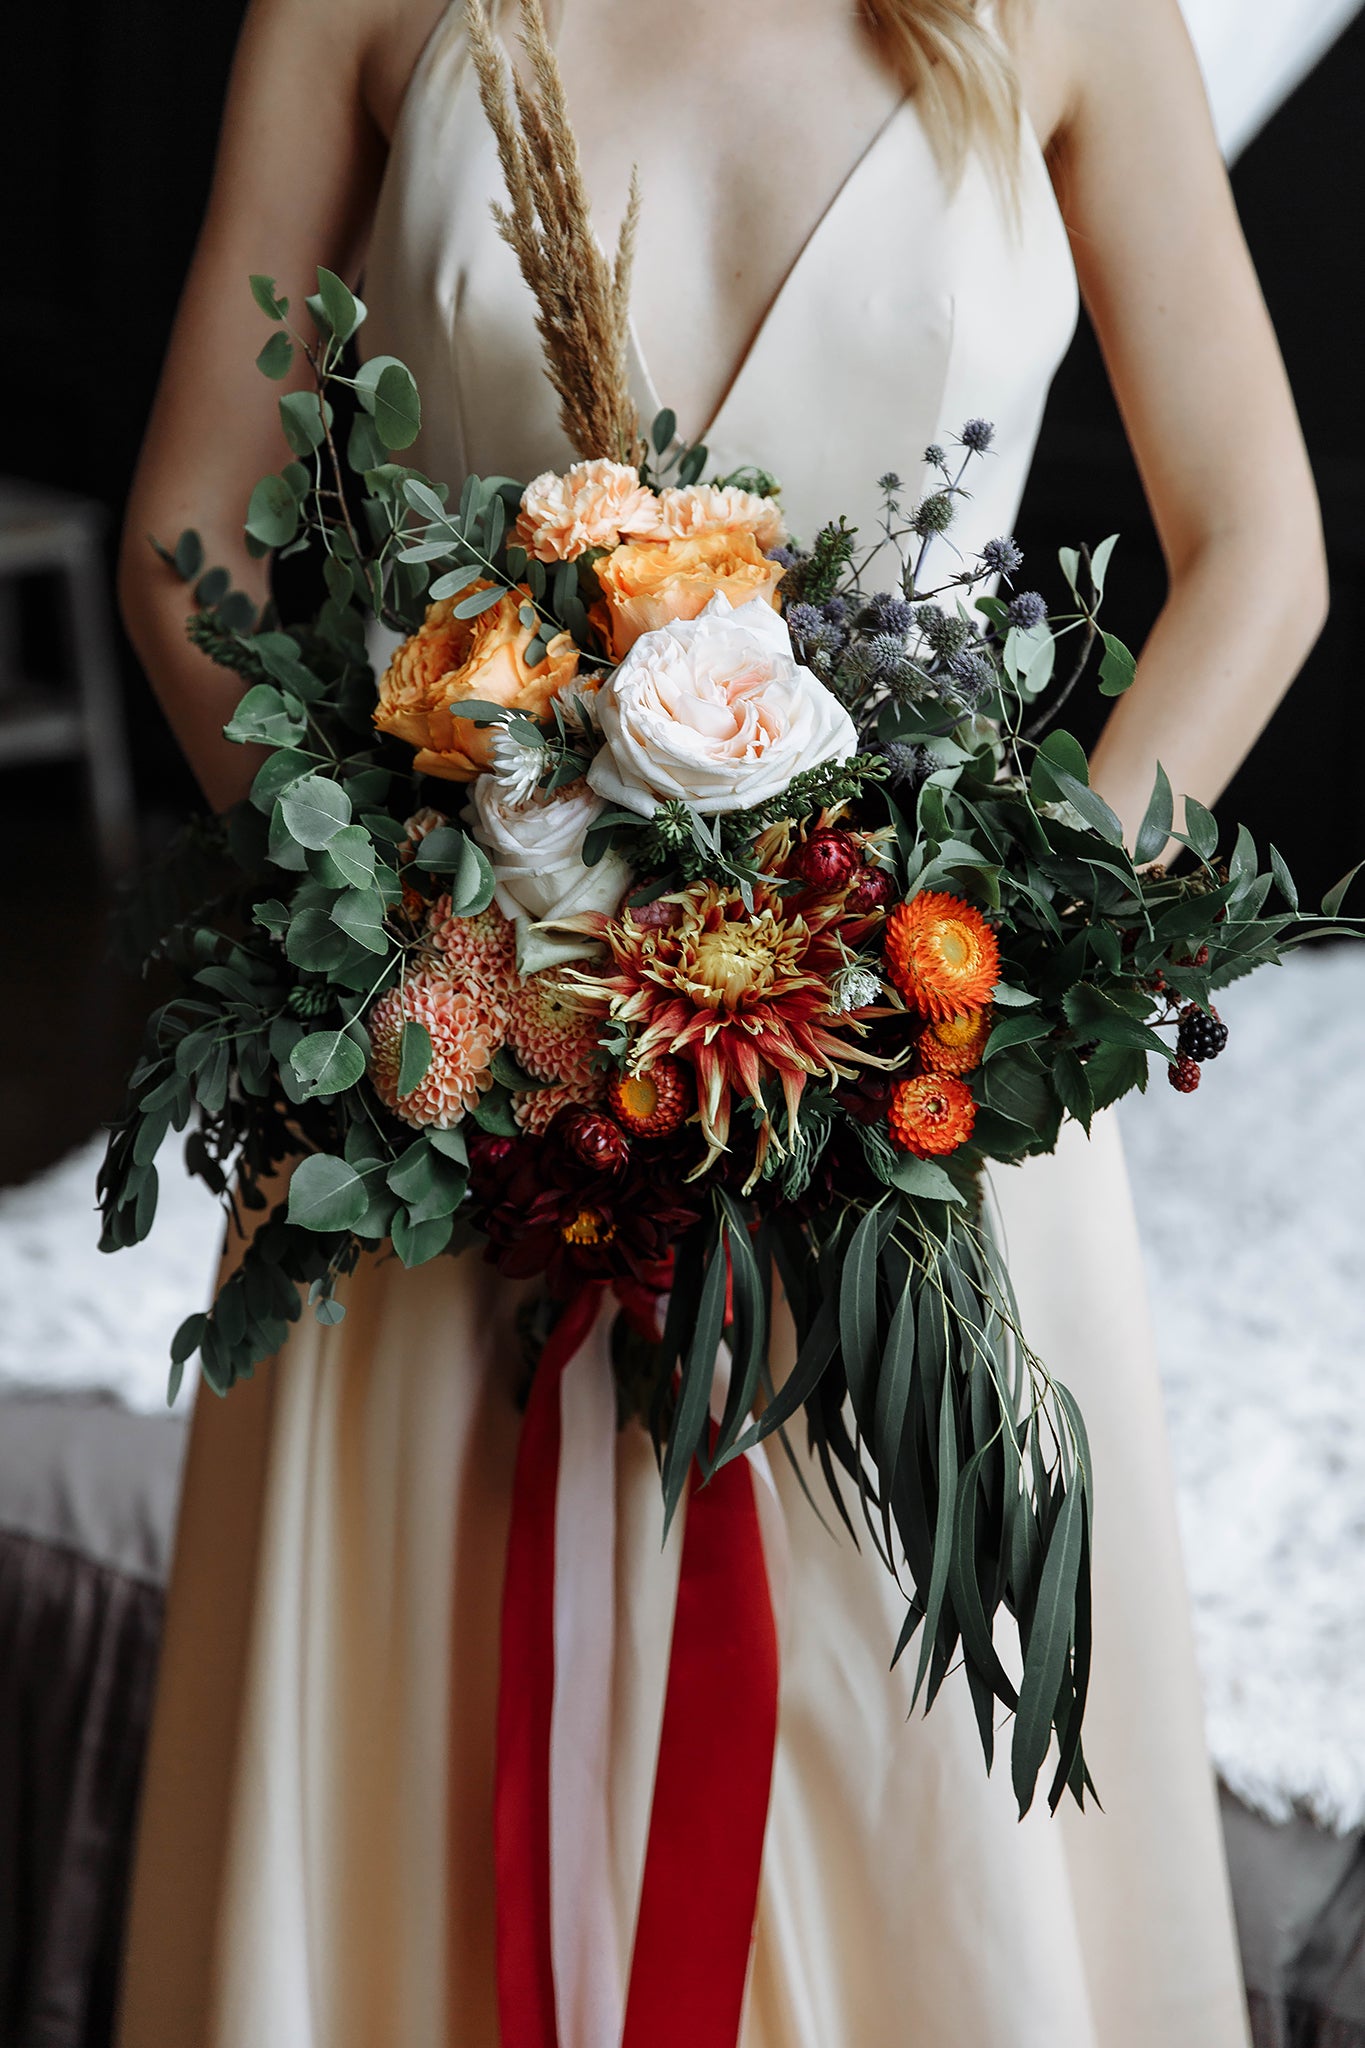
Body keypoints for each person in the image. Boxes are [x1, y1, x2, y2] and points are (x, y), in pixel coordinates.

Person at [115, 1, 1326, 2042]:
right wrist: (443, 975)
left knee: (913, 1810)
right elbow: (188, 544)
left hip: (912, 1154)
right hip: (462, 1115)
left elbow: (1255, 556)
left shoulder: (1059, 18)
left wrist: (968, 975)